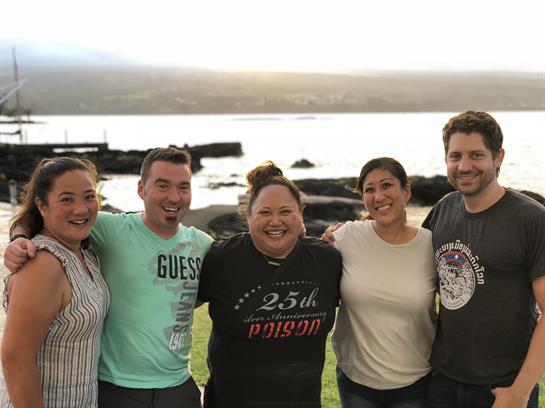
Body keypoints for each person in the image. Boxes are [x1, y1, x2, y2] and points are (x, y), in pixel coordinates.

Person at [4, 147, 213, 408]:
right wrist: (19, 238)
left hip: (178, 389)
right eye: (162, 185)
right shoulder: (108, 230)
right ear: (141, 189)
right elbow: (38, 217)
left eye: (184, 187)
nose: (174, 196)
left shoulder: (204, 245)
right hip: (115, 390)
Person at [423, 110, 545, 408]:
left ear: (498, 156)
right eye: (455, 156)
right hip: (443, 379)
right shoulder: (444, 207)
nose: (464, 166)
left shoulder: (531, 219)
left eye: (476, 155)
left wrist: (519, 391)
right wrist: (352, 231)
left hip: (501, 387)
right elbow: (403, 249)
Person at [197, 161, 342, 407]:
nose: (275, 221)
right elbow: (176, 304)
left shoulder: (327, 260)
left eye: (286, 211)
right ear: (248, 216)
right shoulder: (221, 259)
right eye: (265, 212)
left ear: (301, 215)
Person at [0, 157, 110, 407]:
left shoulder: (84, 254)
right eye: (67, 199)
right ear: (42, 205)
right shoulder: (44, 264)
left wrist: (18, 233)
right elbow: (15, 360)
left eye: (89, 196)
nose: (81, 209)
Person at [329, 157, 437, 408]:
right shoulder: (346, 237)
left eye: (386, 185)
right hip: (356, 383)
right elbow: (308, 261)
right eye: (369, 189)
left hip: (416, 384)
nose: (379, 196)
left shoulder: (431, 245)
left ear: (406, 191)